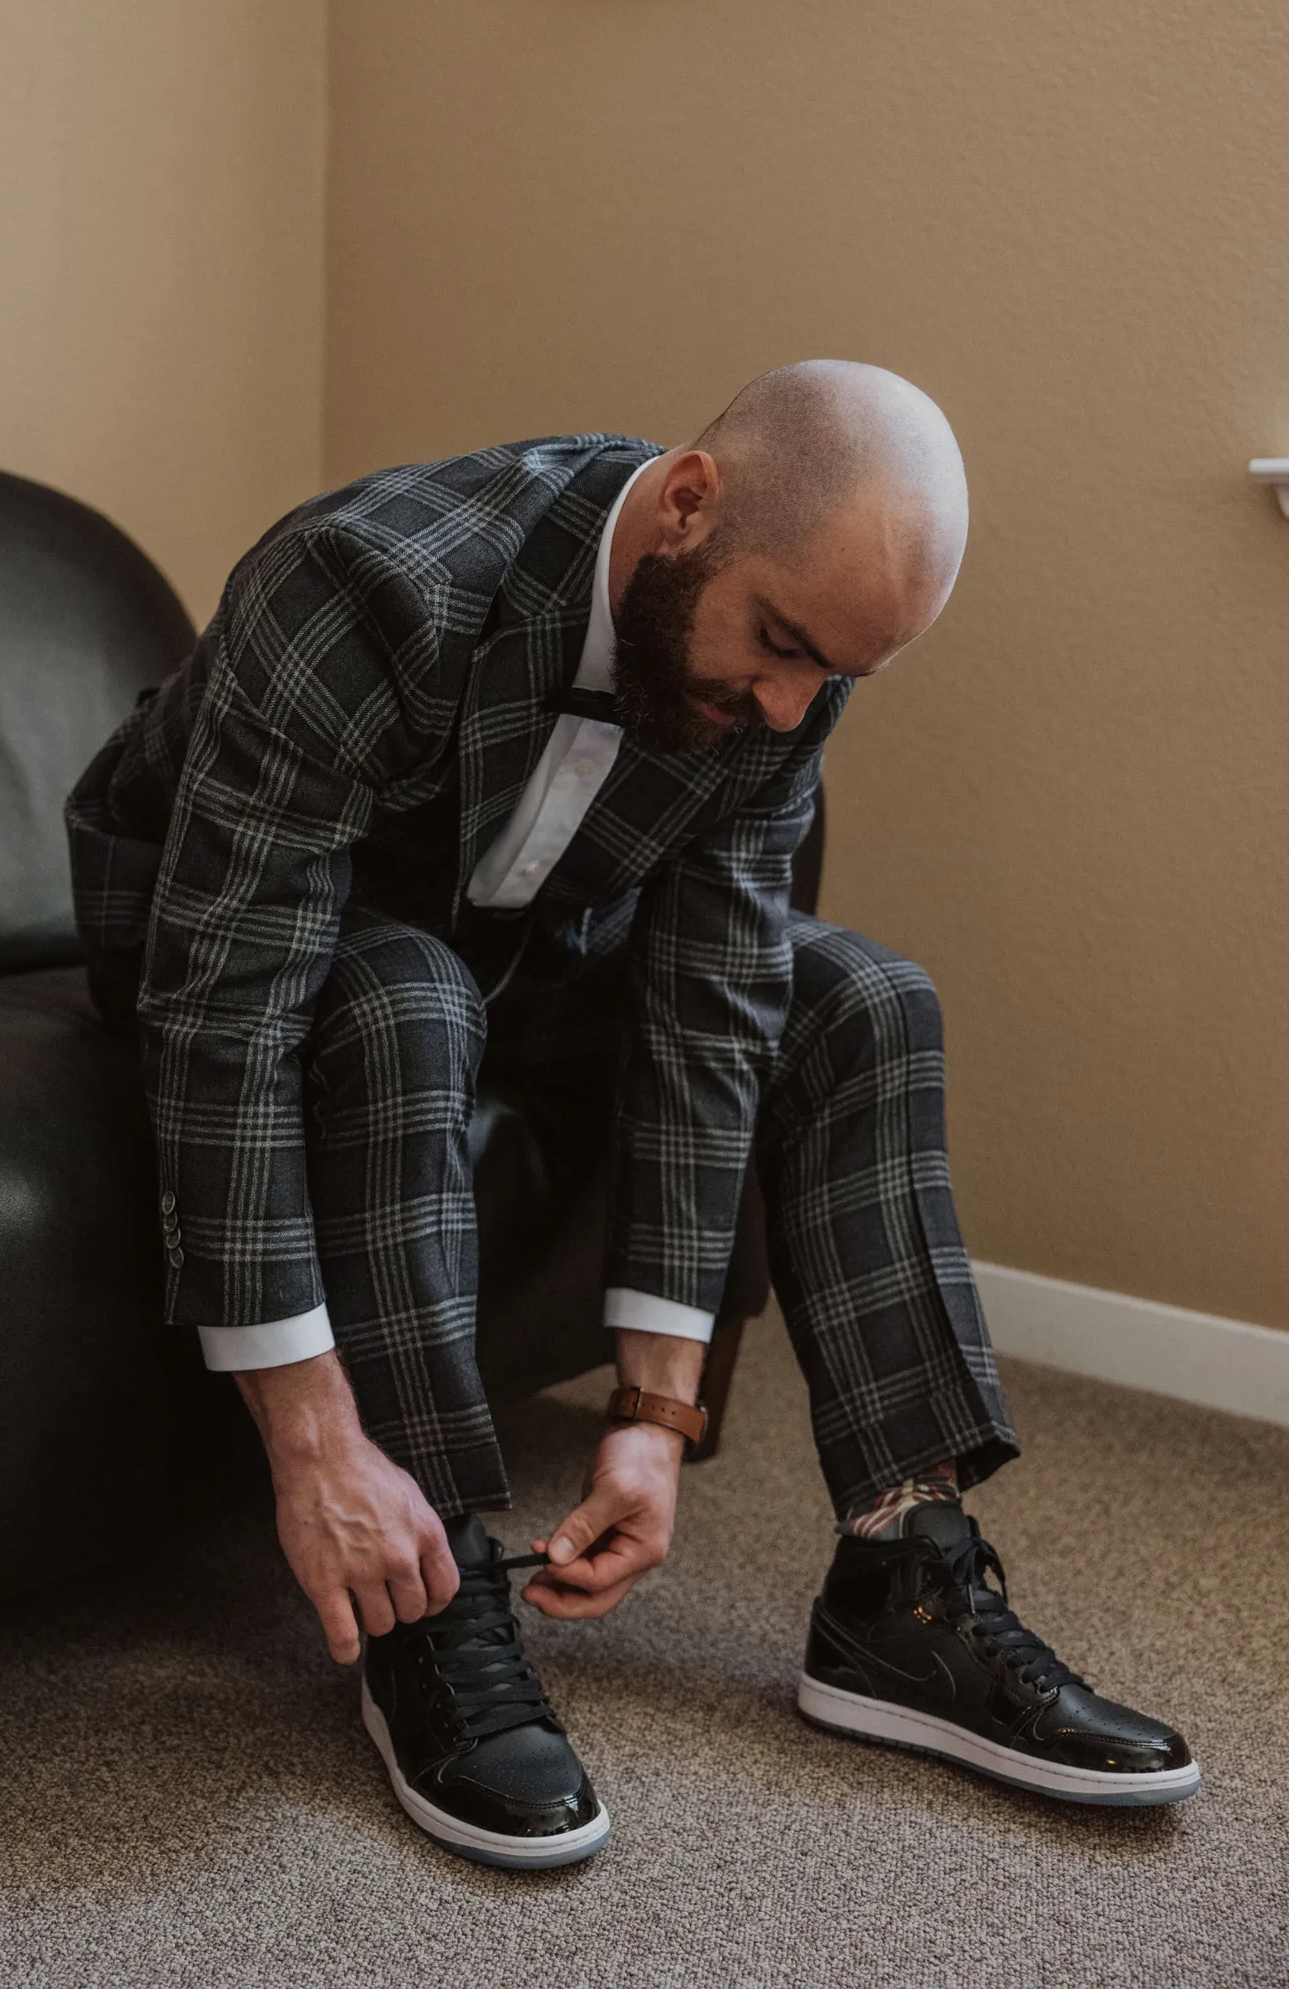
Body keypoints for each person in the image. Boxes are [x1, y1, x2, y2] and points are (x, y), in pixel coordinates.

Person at [67, 360, 1198, 1868]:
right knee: (407, 998)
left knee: (860, 998)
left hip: (525, 936)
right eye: (778, 644)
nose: (787, 709)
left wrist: (657, 1415)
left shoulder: (789, 678)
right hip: (233, 939)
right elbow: (229, 1011)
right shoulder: (367, 581)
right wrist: (315, 1448)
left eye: (832, 678)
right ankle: (431, 1592)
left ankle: (899, 1583)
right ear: (686, 504)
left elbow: (714, 1001)